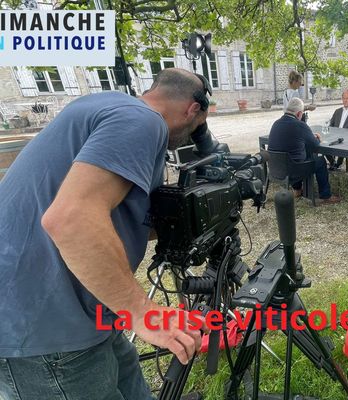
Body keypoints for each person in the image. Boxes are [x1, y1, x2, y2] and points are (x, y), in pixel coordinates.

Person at [0, 68, 211, 400]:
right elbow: (71, 219)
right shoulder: (143, 122)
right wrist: (143, 313)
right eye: (195, 130)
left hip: (89, 312)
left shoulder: (106, 105)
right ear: (192, 110)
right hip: (43, 329)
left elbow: (102, 212)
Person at [268, 97, 341, 205]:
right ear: (299, 114)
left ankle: (297, 190)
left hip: (276, 168)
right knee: (320, 161)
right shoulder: (300, 125)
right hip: (294, 170)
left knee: (297, 155)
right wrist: (316, 138)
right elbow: (315, 146)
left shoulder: (276, 123)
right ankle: (326, 196)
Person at [325, 89, 348, 170]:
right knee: (322, 143)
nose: (345, 100)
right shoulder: (337, 111)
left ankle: (338, 163)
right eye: (343, 98)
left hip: (346, 137)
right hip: (334, 135)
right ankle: (332, 162)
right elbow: (331, 125)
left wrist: (344, 132)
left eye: (347, 98)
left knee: (342, 143)